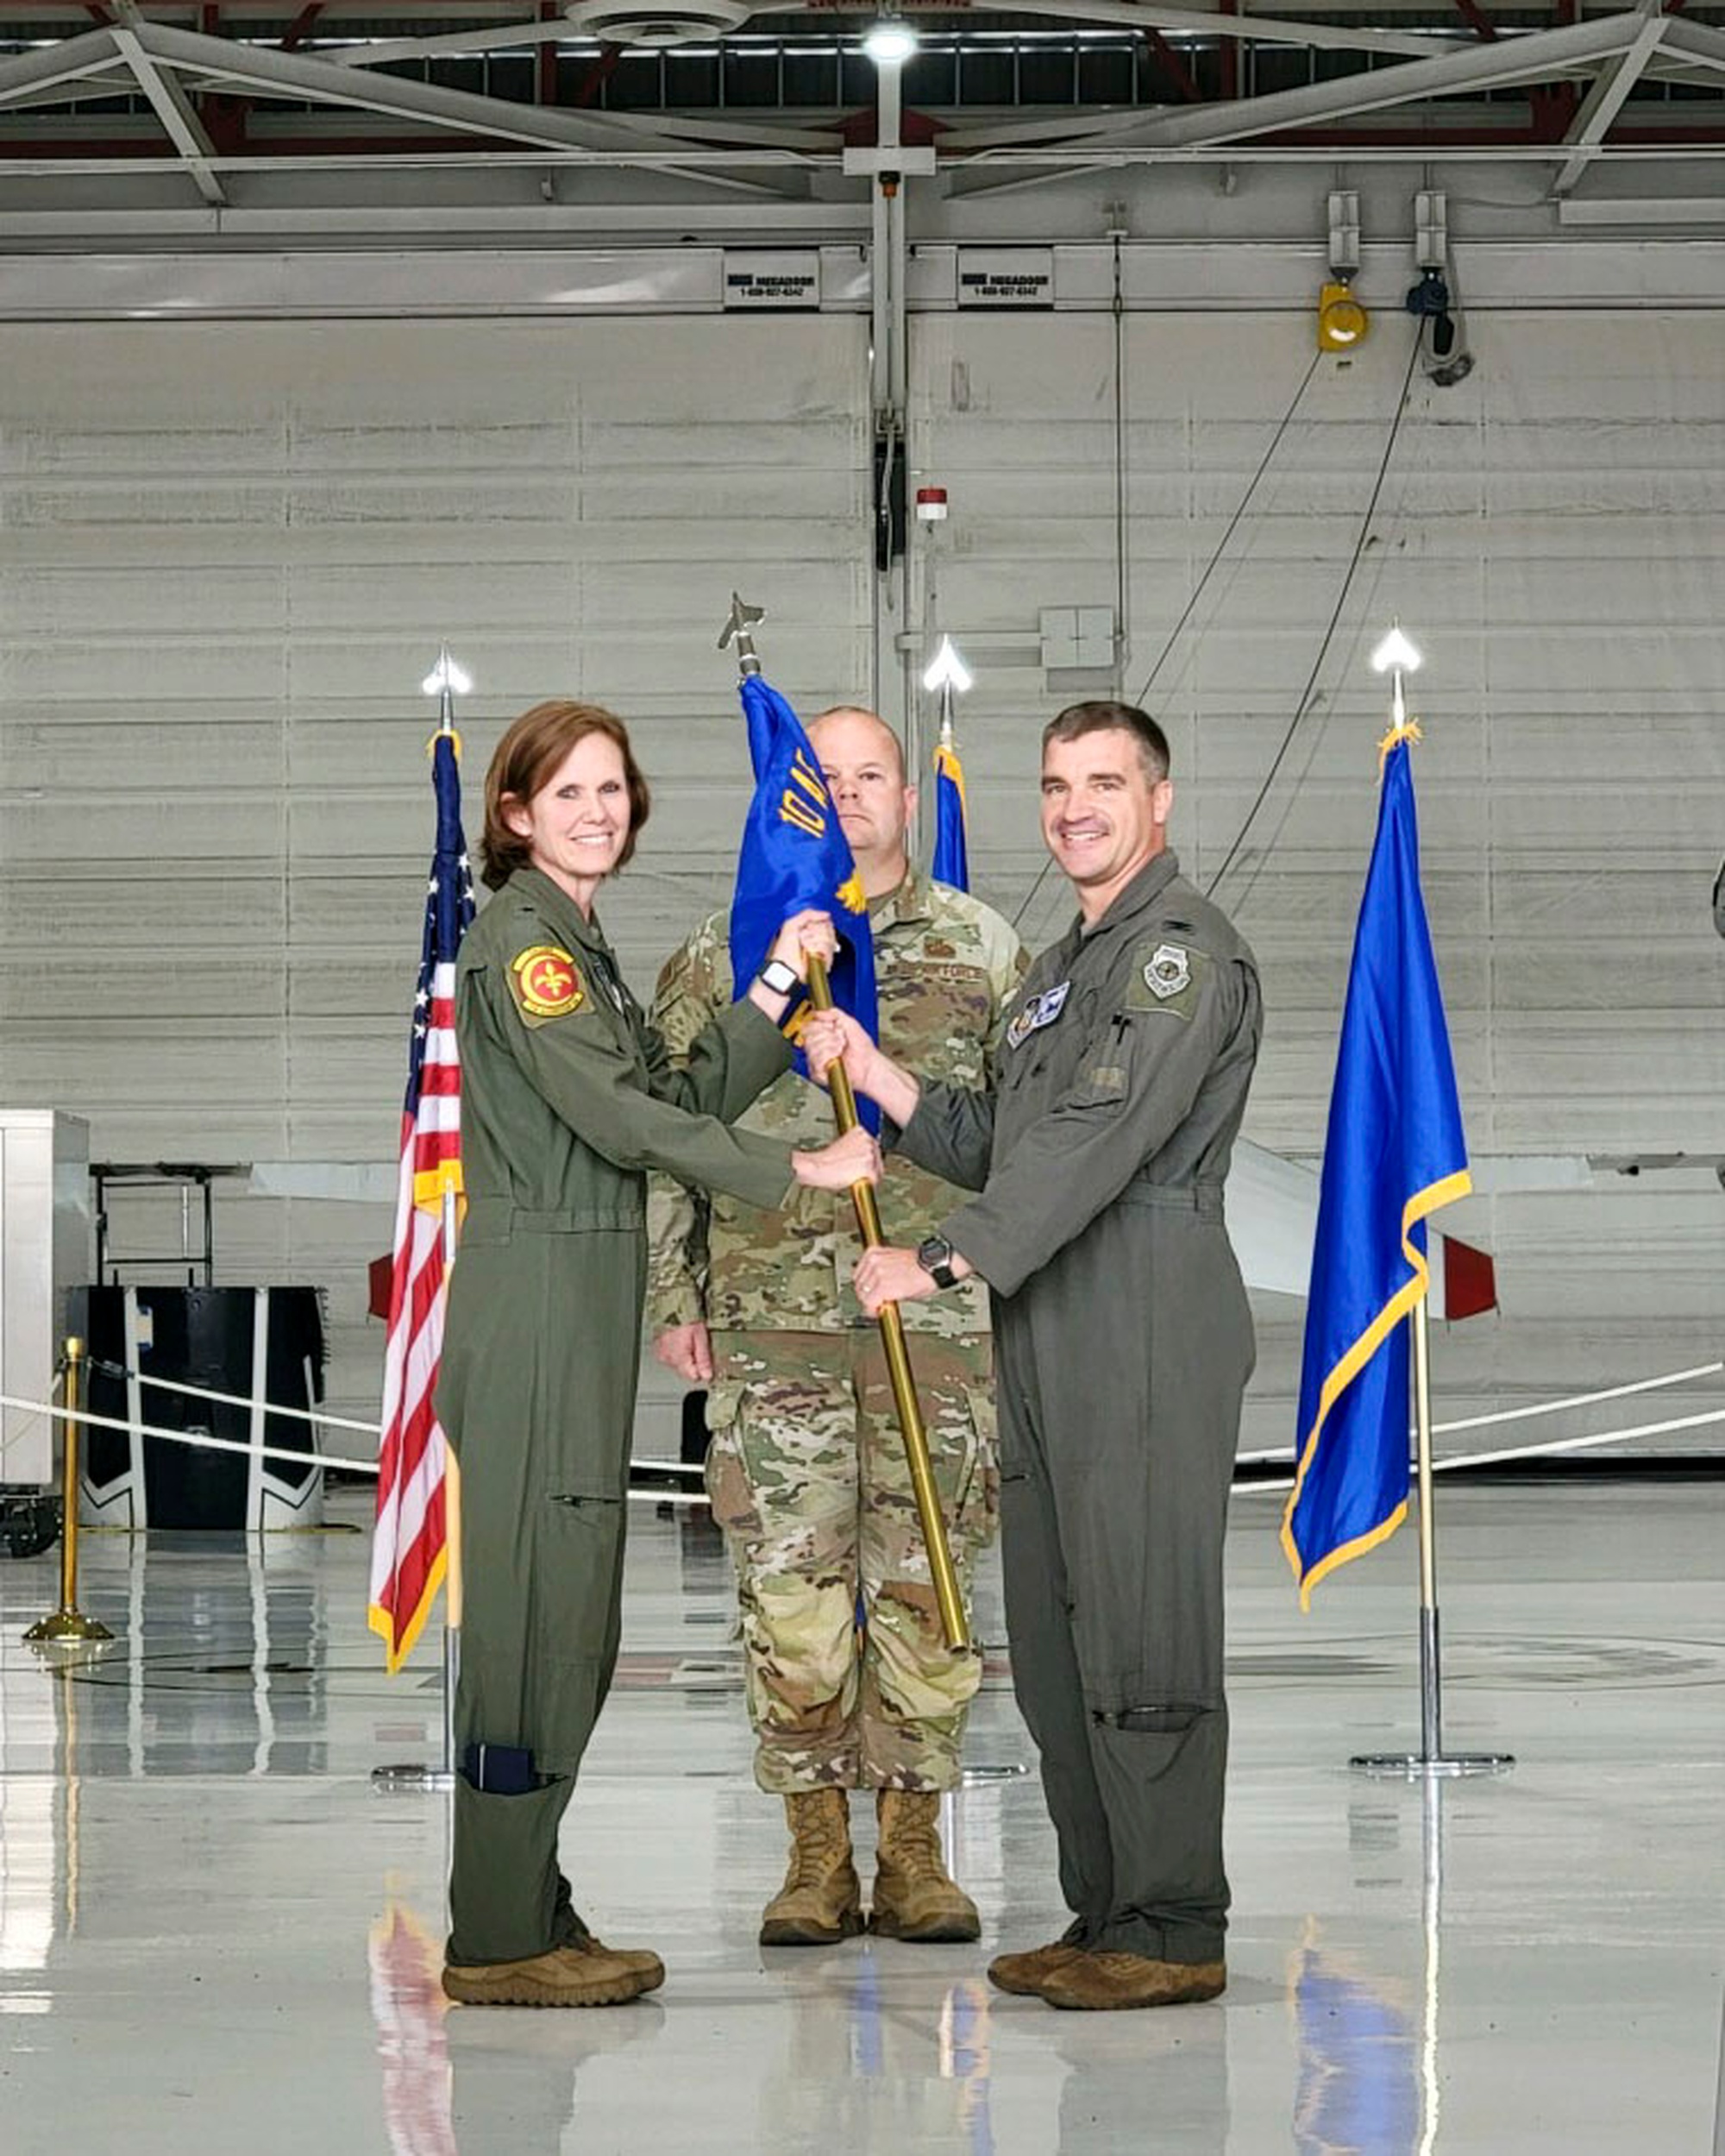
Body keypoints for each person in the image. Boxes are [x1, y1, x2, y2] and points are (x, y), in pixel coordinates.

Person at [804, 699, 1262, 2012]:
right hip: (1051, 1313)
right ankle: (1106, 1906)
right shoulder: (1067, 966)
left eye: (1104, 784)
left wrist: (940, 1262)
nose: (1075, 809)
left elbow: (1090, 1150)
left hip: (1146, 1309)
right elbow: (1000, 1130)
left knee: (1143, 1629)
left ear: (1158, 800)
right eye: (1057, 784)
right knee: (1063, 1640)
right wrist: (875, 1076)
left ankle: (1174, 1925)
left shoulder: (1178, 956)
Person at [435, 699, 879, 2009]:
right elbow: (625, 1119)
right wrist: (802, 1167)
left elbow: (675, 1096)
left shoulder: (580, 943)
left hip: (569, 1308)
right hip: (534, 1313)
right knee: (534, 1626)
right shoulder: (531, 948)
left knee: (569, 1613)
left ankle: (526, 1899)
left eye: (612, 790)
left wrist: (776, 985)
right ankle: (501, 1933)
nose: (597, 810)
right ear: (515, 816)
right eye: (566, 793)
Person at [647, 706, 1028, 1946]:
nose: (851, 795)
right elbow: (666, 1134)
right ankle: (815, 1853)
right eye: (827, 777)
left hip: (932, 1320)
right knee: (794, 1597)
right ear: (792, 796)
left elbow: (1024, 1142)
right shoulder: (727, 951)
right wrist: (676, 1295)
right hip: (772, 1323)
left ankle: (915, 1850)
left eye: (874, 775)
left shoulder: (979, 948)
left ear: (908, 797)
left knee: (926, 1587)